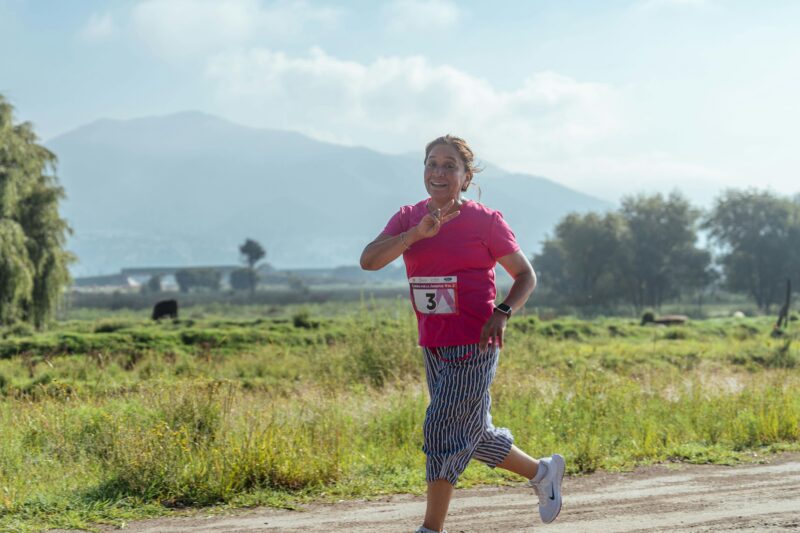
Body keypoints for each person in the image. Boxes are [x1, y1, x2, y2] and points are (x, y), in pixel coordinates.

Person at [360, 135, 565, 533]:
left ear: (466, 177)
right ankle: (542, 473)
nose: (439, 172)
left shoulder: (485, 222)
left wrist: (503, 312)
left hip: (477, 341)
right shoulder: (408, 217)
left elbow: (526, 276)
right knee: (472, 432)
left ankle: (430, 529)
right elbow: (369, 260)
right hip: (433, 343)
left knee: (441, 427)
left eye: (449, 166)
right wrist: (415, 235)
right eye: (431, 164)